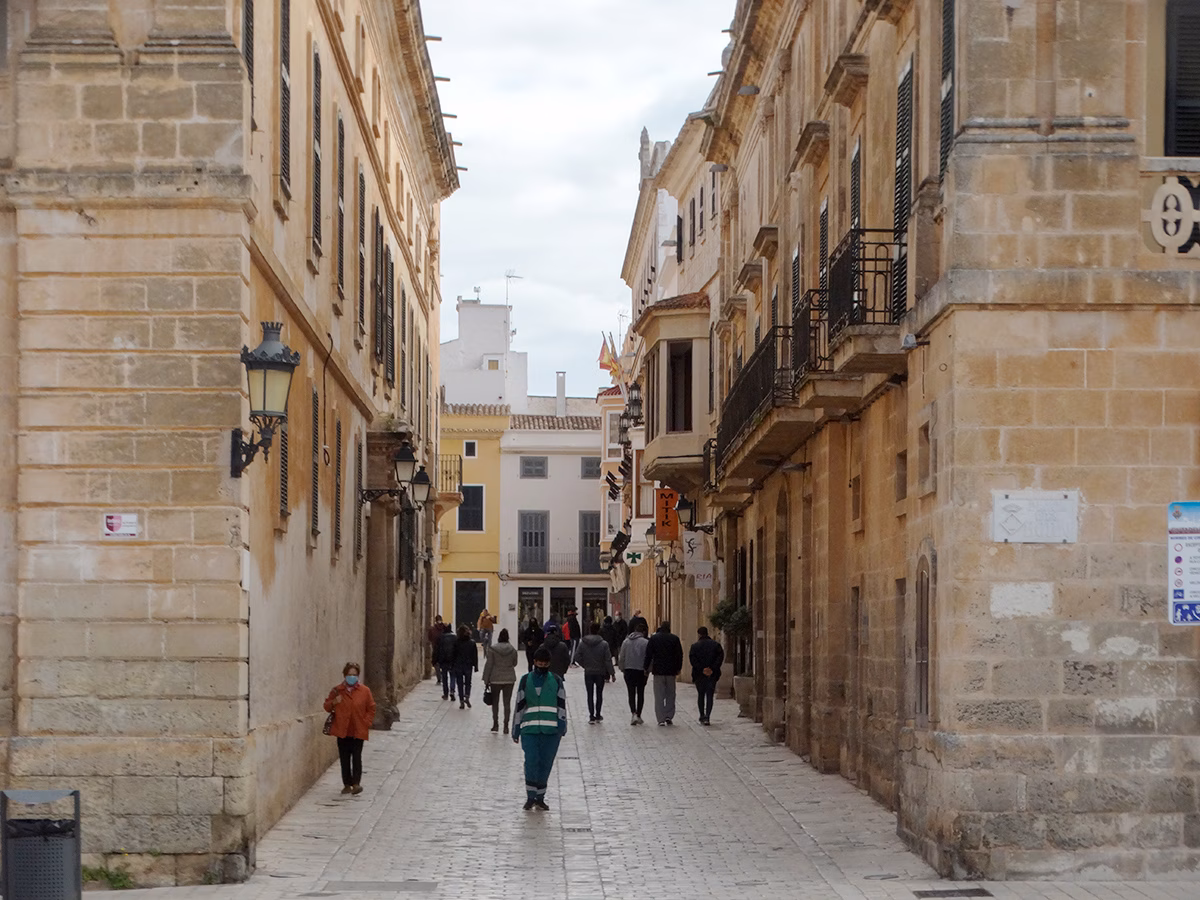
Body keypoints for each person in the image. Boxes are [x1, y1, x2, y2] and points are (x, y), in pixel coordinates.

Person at [511, 646, 567, 811]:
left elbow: (561, 704)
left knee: (545, 764)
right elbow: (519, 705)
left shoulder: (556, 681)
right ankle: (530, 796)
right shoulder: (525, 680)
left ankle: (540, 797)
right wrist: (516, 728)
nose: (542, 665)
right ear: (534, 662)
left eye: (545, 662)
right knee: (531, 762)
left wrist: (562, 725)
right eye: (539, 662)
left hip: (551, 732)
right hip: (530, 730)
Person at [323, 662, 376, 795]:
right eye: (349, 675)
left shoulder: (365, 691)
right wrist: (334, 702)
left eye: (354, 675)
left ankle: (356, 784)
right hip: (342, 730)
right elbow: (327, 706)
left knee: (357, 757)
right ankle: (347, 784)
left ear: (358, 676)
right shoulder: (337, 690)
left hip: (358, 729)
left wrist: (366, 722)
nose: (352, 677)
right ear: (345, 675)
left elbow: (371, 708)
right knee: (344, 758)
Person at [644, 620, 683, 726]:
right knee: (671, 694)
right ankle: (669, 716)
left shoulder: (654, 638)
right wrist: (678, 668)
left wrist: (646, 668)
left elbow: (648, 654)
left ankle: (660, 718)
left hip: (658, 671)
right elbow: (679, 655)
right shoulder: (674, 639)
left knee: (659, 695)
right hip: (671, 671)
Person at [575, 622, 616, 723]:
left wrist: (584, 664)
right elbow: (608, 659)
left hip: (588, 672)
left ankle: (591, 716)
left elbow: (577, 656)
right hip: (600, 672)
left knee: (589, 694)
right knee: (599, 693)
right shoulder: (604, 644)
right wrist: (612, 673)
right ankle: (598, 714)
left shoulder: (583, 643)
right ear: (599, 630)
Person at [482, 628, 519, 733]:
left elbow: (489, 664)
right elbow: (514, 663)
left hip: (495, 678)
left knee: (495, 702)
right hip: (509, 679)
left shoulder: (493, 649)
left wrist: (486, 678)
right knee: (507, 703)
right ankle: (506, 726)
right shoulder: (512, 649)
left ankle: (495, 724)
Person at [689, 626, 725, 725]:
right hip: (712, 674)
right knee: (709, 695)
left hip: (699, 675)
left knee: (701, 695)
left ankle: (702, 715)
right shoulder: (716, 645)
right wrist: (712, 668)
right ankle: (708, 716)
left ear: (699, 634)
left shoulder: (695, 646)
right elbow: (720, 657)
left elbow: (693, 660)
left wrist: (702, 669)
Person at [617, 621, 650, 725]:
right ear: (643, 632)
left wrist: (622, 668)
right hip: (641, 671)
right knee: (640, 693)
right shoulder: (645, 643)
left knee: (631, 693)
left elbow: (621, 656)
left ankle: (633, 713)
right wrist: (648, 670)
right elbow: (648, 658)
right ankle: (639, 714)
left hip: (629, 670)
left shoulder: (626, 642)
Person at [451, 625, 479, 709]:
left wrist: (452, 665)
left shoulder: (456, 642)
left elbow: (453, 655)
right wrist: (476, 666)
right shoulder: (472, 642)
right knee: (468, 682)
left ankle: (461, 701)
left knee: (459, 683)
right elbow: (475, 656)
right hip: (468, 665)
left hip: (458, 665)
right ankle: (467, 695)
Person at [435, 622, 458, 701]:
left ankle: (445, 693)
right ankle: (452, 690)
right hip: (453, 660)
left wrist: (436, 660)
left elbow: (437, 649)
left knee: (444, 677)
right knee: (453, 676)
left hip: (443, 660)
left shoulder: (441, 638)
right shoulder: (455, 637)